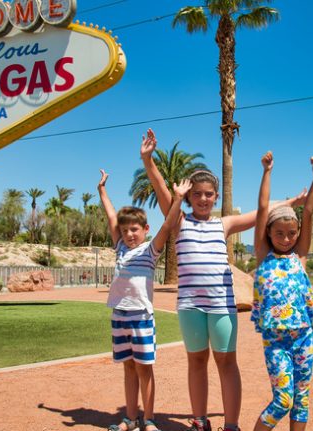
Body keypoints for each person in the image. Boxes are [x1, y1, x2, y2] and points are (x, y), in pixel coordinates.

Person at [141, 129, 305, 431]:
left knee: (227, 364)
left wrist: (293, 200)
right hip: (190, 307)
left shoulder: (224, 224)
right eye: (197, 194)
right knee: (197, 363)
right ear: (189, 197)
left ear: (216, 197)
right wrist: (148, 160)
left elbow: (262, 212)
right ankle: (200, 420)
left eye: (209, 194)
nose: (203, 199)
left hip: (222, 307)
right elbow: (162, 189)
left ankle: (231, 425)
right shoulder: (178, 220)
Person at [98, 168, 192, 431]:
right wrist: (102, 190)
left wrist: (178, 199)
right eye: (125, 230)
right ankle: (130, 418)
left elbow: (168, 225)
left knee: (144, 369)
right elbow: (110, 216)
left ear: (145, 229)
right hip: (119, 316)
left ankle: (148, 420)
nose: (129, 235)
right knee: (128, 368)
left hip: (141, 317)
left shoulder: (150, 251)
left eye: (135, 230)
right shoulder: (119, 248)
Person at [250, 152, 313, 431]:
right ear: (269, 234)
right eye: (279, 233)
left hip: (304, 336)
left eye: (291, 233)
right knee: (283, 399)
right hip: (276, 341)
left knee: (301, 399)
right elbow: (261, 208)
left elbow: (307, 212)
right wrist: (267, 171)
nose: (285, 239)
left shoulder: (300, 255)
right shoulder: (262, 255)